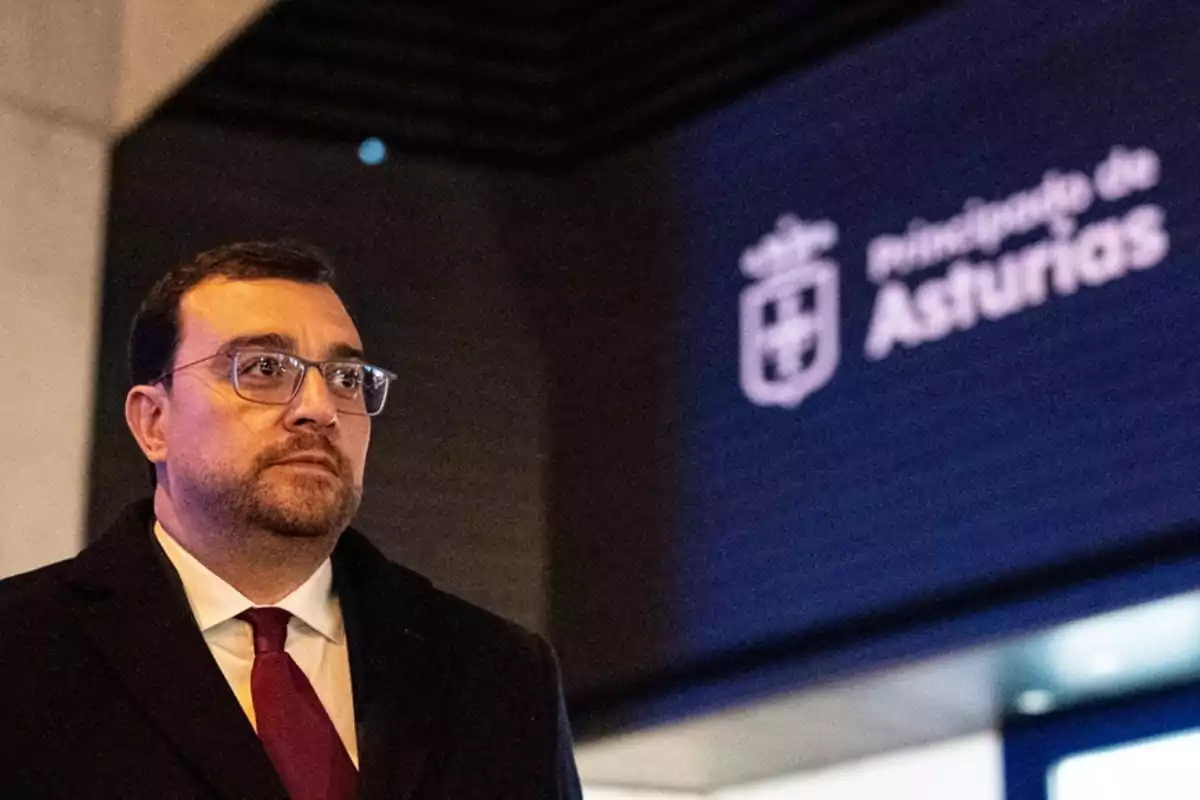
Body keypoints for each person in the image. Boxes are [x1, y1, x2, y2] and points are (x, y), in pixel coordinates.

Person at [0, 241, 583, 799]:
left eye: (347, 379)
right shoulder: (23, 651)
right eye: (263, 369)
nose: (319, 409)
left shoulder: (498, 672)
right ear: (154, 421)